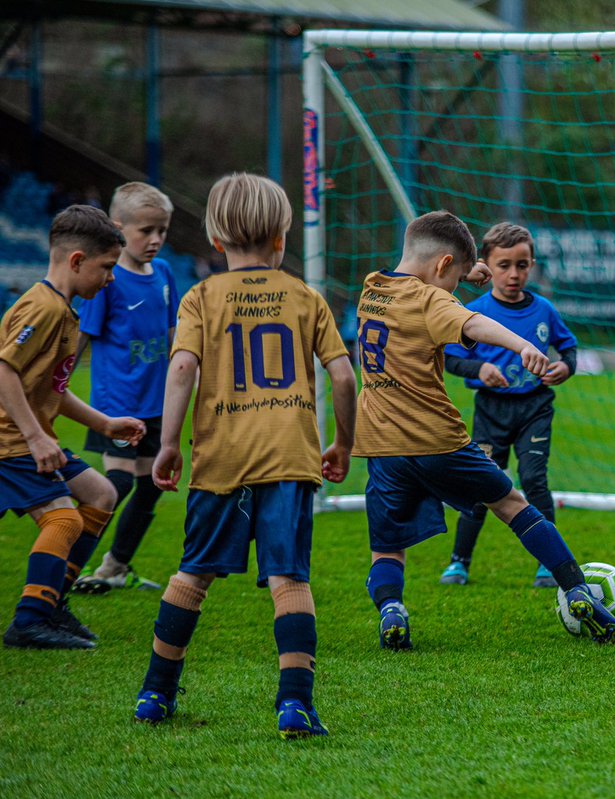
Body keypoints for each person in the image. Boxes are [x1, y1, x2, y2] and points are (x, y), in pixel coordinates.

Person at [132, 174, 357, 740]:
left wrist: (167, 444)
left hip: (222, 457)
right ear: (281, 238)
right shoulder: (306, 297)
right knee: (289, 578)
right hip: (289, 456)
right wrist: (344, 443)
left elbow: (182, 369)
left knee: (194, 573)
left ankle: (156, 693)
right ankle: (295, 705)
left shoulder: (200, 297)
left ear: (214, 237)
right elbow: (344, 376)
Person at [353, 210, 615, 648]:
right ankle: (576, 587)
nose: (459, 286)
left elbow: (434, 272)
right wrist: (522, 345)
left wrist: (464, 268)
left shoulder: (372, 288)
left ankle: (391, 609)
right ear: (442, 267)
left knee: (386, 547)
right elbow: (474, 322)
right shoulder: (433, 301)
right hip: (437, 441)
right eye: (457, 277)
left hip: (381, 446)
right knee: (512, 504)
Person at [0, 205, 145, 649]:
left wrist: (104, 422)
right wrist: (37, 435)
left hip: (25, 439)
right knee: (63, 518)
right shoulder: (42, 308)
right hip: (10, 444)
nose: (112, 278)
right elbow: (4, 370)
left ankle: (52, 604)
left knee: (101, 493)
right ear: (76, 260)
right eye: (106, 267)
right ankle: (31, 620)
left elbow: (50, 389)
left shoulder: (64, 310)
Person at [439, 222, 578, 588]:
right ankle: (459, 562)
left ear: (531, 264)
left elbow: (569, 349)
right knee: (483, 484)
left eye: (522, 265)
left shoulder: (544, 310)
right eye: (504, 265)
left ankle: (547, 565)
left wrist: (566, 366)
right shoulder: (474, 312)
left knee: (534, 479)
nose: (513, 274)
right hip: (491, 411)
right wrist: (479, 368)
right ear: (485, 264)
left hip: (535, 407)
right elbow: (450, 360)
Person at [73, 183, 179, 594]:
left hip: (156, 406)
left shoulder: (166, 274)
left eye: (162, 231)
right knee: (114, 487)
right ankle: (64, 569)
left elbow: (174, 338)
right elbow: (81, 336)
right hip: (115, 408)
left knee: (152, 485)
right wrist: (54, 387)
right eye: (145, 231)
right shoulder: (108, 279)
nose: (155, 240)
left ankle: (115, 566)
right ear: (119, 229)